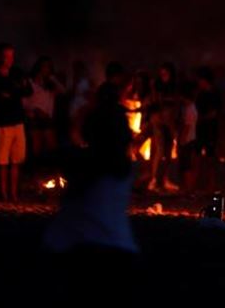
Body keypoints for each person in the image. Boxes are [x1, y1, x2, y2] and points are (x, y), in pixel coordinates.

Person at [42, 80, 138, 291]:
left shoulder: (86, 161)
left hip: (83, 249)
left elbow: (53, 159)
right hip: (119, 248)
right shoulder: (124, 167)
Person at [0, 43, 32, 202]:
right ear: (0, 57)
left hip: (18, 121)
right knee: (3, 161)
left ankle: (13, 193)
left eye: (12, 56)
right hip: (3, 123)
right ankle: (4, 193)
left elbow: (27, 90)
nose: (10, 59)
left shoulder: (17, 72)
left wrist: (13, 92)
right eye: (7, 56)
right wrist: (13, 91)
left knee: (16, 160)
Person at [148, 63, 180, 192]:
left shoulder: (174, 86)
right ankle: (154, 180)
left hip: (169, 119)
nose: (163, 76)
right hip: (159, 120)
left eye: (165, 74)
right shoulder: (157, 86)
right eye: (162, 74)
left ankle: (165, 180)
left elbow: (175, 104)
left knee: (168, 151)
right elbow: (157, 103)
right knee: (160, 150)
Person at [24, 56, 63, 159]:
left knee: (52, 146)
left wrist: (52, 78)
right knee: (37, 147)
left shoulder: (50, 85)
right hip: (34, 118)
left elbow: (62, 90)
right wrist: (35, 110)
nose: (46, 69)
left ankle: (50, 167)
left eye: (49, 67)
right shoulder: (30, 82)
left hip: (47, 118)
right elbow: (23, 102)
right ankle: (37, 166)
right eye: (44, 66)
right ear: (38, 67)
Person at [195, 67, 221, 192]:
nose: (199, 82)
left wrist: (202, 118)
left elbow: (215, 112)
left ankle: (211, 184)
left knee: (210, 156)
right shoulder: (200, 94)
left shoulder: (214, 94)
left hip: (210, 128)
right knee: (198, 156)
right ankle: (198, 183)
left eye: (200, 80)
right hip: (200, 128)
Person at [177, 82, 199, 194]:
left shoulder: (190, 109)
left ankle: (188, 190)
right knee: (185, 166)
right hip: (190, 139)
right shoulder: (190, 108)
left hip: (187, 140)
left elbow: (187, 126)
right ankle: (186, 189)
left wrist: (181, 141)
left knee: (186, 166)